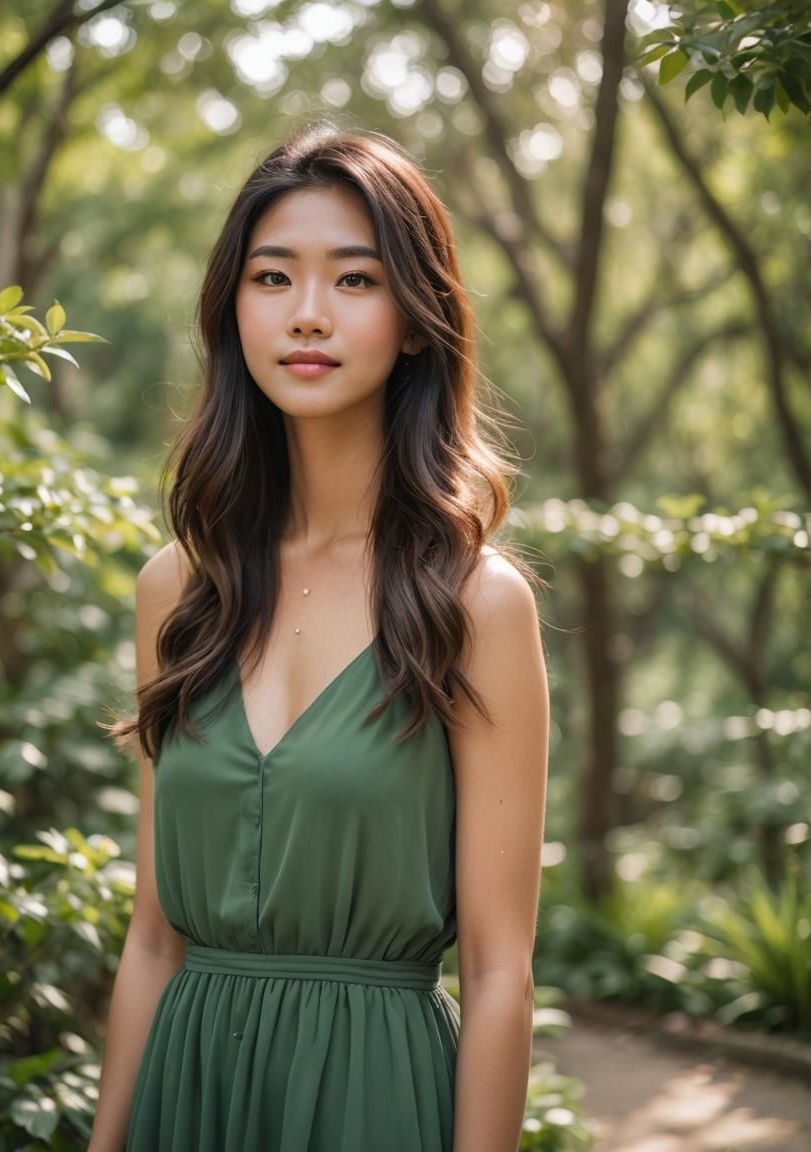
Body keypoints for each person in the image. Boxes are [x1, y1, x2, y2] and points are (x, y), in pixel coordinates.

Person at [88, 120, 550, 1152]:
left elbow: (497, 972)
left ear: (418, 320)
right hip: (188, 1096)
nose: (306, 313)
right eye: (271, 277)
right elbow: (154, 940)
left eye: (353, 279)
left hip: (373, 1103)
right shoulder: (178, 590)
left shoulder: (475, 604)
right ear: (233, 310)